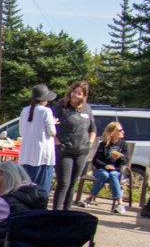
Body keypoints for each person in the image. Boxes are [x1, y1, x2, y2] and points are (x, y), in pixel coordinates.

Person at [51, 81, 97, 211]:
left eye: (79, 93)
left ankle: (67, 212)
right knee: (64, 183)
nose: (76, 95)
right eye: (74, 92)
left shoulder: (86, 108)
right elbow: (49, 124)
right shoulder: (61, 106)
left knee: (72, 183)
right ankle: (56, 213)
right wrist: (57, 141)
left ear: (84, 96)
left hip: (81, 151)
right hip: (64, 150)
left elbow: (93, 128)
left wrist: (90, 143)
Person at [18, 83, 57, 199]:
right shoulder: (46, 111)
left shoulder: (25, 110)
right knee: (41, 188)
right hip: (42, 155)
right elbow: (52, 132)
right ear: (45, 99)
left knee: (26, 186)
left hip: (27, 154)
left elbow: (21, 131)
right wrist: (54, 122)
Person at [79, 121, 128, 213]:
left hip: (115, 170)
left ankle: (120, 204)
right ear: (113, 133)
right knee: (104, 175)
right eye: (120, 130)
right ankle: (90, 199)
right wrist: (105, 165)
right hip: (102, 169)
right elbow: (95, 161)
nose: (123, 132)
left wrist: (121, 157)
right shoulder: (104, 144)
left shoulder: (123, 144)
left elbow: (125, 161)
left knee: (113, 175)